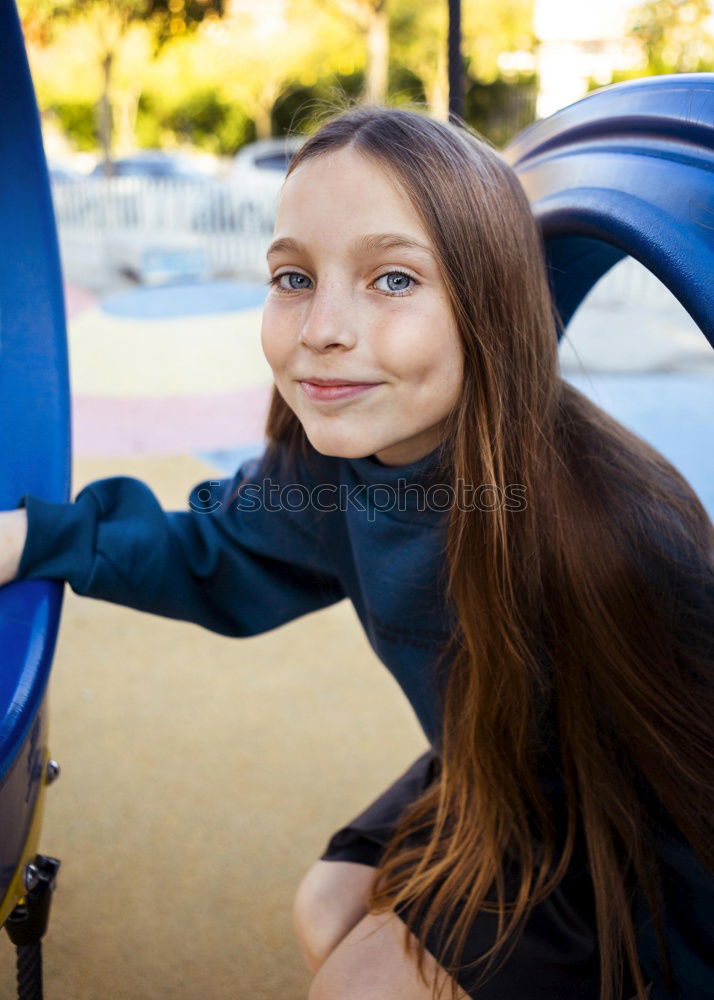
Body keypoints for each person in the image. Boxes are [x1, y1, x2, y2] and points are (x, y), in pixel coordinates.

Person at [1, 104, 712, 1000]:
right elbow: (217, 552)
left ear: (489, 301)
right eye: (294, 276)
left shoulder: (613, 533)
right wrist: (33, 535)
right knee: (326, 908)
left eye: (393, 280)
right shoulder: (327, 469)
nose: (321, 327)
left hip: (623, 838)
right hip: (485, 768)